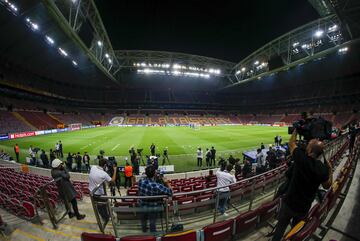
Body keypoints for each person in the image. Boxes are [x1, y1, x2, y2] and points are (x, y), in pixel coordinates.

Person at [271, 130, 333, 241]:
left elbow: (291, 143)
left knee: (280, 229)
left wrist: (296, 129)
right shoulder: (322, 169)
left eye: (309, 144)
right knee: (295, 231)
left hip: (289, 203)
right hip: (304, 207)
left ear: (309, 149)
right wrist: (330, 169)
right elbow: (327, 186)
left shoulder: (300, 158)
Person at [138, 165, 172, 233]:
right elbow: (170, 192)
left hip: (142, 205)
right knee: (152, 222)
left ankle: (144, 231)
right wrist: (166, 183)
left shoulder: (140, 181)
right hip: (153, 207)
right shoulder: (157, 186)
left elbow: (146, 180)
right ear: (154, 174)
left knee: (143, 221)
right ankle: (153, 235)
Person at [88, 158, 117, 223]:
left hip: (91, 192)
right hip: (99, 194)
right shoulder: (104, 174)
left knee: (99, 206)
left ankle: (104, 217)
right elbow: (112, 181)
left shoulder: (93, 167)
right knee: (105, 205)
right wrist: (115, 170)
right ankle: (106, 218)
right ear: (104, 165)